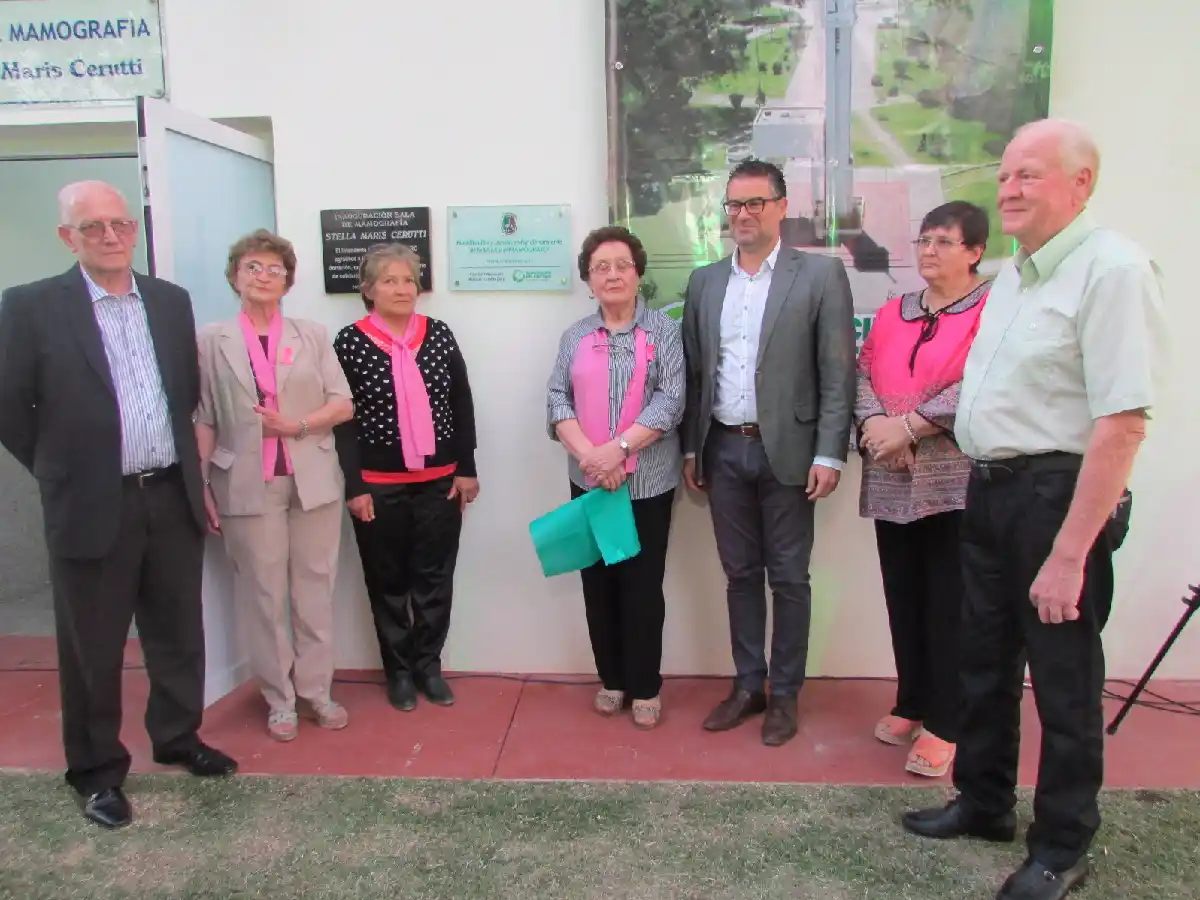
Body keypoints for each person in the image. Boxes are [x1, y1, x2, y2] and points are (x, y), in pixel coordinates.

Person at [902, 119, 1168, 900]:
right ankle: (984, 803)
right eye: (1007, 173)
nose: (1010, 189)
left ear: (1080, 184)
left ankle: (1061, 846)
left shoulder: (1113, 271)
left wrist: (1070, 551)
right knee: (980, 662)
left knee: (1064, 682)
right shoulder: (1015, 274)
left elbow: (1123, 423)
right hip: (988, 491)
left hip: (1059, 498)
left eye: (1032, 175)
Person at [0, 181, 237, 829]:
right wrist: (60, 470)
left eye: (120, 224)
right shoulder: (31, 307)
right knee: (92, 648)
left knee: (178, 631)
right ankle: (97, 771)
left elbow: (184, 394)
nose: (110, 236)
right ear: (67, 237)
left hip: (168, 492)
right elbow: (11, 407)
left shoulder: (168, 301)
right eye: (94, 226)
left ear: (134, 230)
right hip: (90, 502)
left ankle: (177, 736)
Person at [681, 159, 856, 746]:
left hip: (790, 454)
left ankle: (785, 694)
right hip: (724, 450)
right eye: (734, 205)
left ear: (782, 206)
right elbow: (697, 373)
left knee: (788, 578)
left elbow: (838, 372)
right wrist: (691, 451)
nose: (744, 214)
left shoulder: (819, 277)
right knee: (739, 576)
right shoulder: (705, 282)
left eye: (756, 203)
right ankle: (747, 685)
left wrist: (830, 453)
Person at [195, 230, 355, 742]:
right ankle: (278, 699)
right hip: (244, 482)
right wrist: (200, 483)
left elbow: (342, 403)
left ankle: (317, 691)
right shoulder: (210, 340)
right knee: (263, 596)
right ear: (234, 276)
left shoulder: (311, 335)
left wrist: (298, 426)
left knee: (315, 590)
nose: (264, 276)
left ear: (288, 278)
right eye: (253, 267)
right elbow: (203, 417)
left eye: (274, 268)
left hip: (312, 479)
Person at [854, 201, 991, 778]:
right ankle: (912, 700)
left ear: (975, 251)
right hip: (890, 474)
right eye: (924, 240)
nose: (929, 250)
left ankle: (947, 721)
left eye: (944, 241)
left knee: (948, 603)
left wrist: (910, 428)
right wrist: (875, 427)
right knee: (902, 594)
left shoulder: (993, 308)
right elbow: (861, 371)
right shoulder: (895, 310)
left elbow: (986, 379)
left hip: (952, 479)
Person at [546, 226, 685, 729]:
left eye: (622, 265)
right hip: (589, 482)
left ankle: (646, 685)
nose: (612, 274)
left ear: (638, 273)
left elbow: (671, 400)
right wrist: (592, 458)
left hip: (646, 483)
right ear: (588, 277)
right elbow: (556, 399)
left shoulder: (664, 333)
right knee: (598, 583)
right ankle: (612, 679)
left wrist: (618, 451)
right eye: (601, 266)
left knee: (642, 586)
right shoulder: (575, 337)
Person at [334, 244, 479, 712]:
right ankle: (397, 673)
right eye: (389, 280)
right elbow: (344, 422)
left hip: (440, 482)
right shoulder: (349, 342)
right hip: (378, 486)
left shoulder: (437, 334)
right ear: (368, 289)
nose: (402, 288)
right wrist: (354, 486)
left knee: (435, 580)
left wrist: (467, 468)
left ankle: (429, 668)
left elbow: (460, 402)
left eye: (409, 280)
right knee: (388, 582)